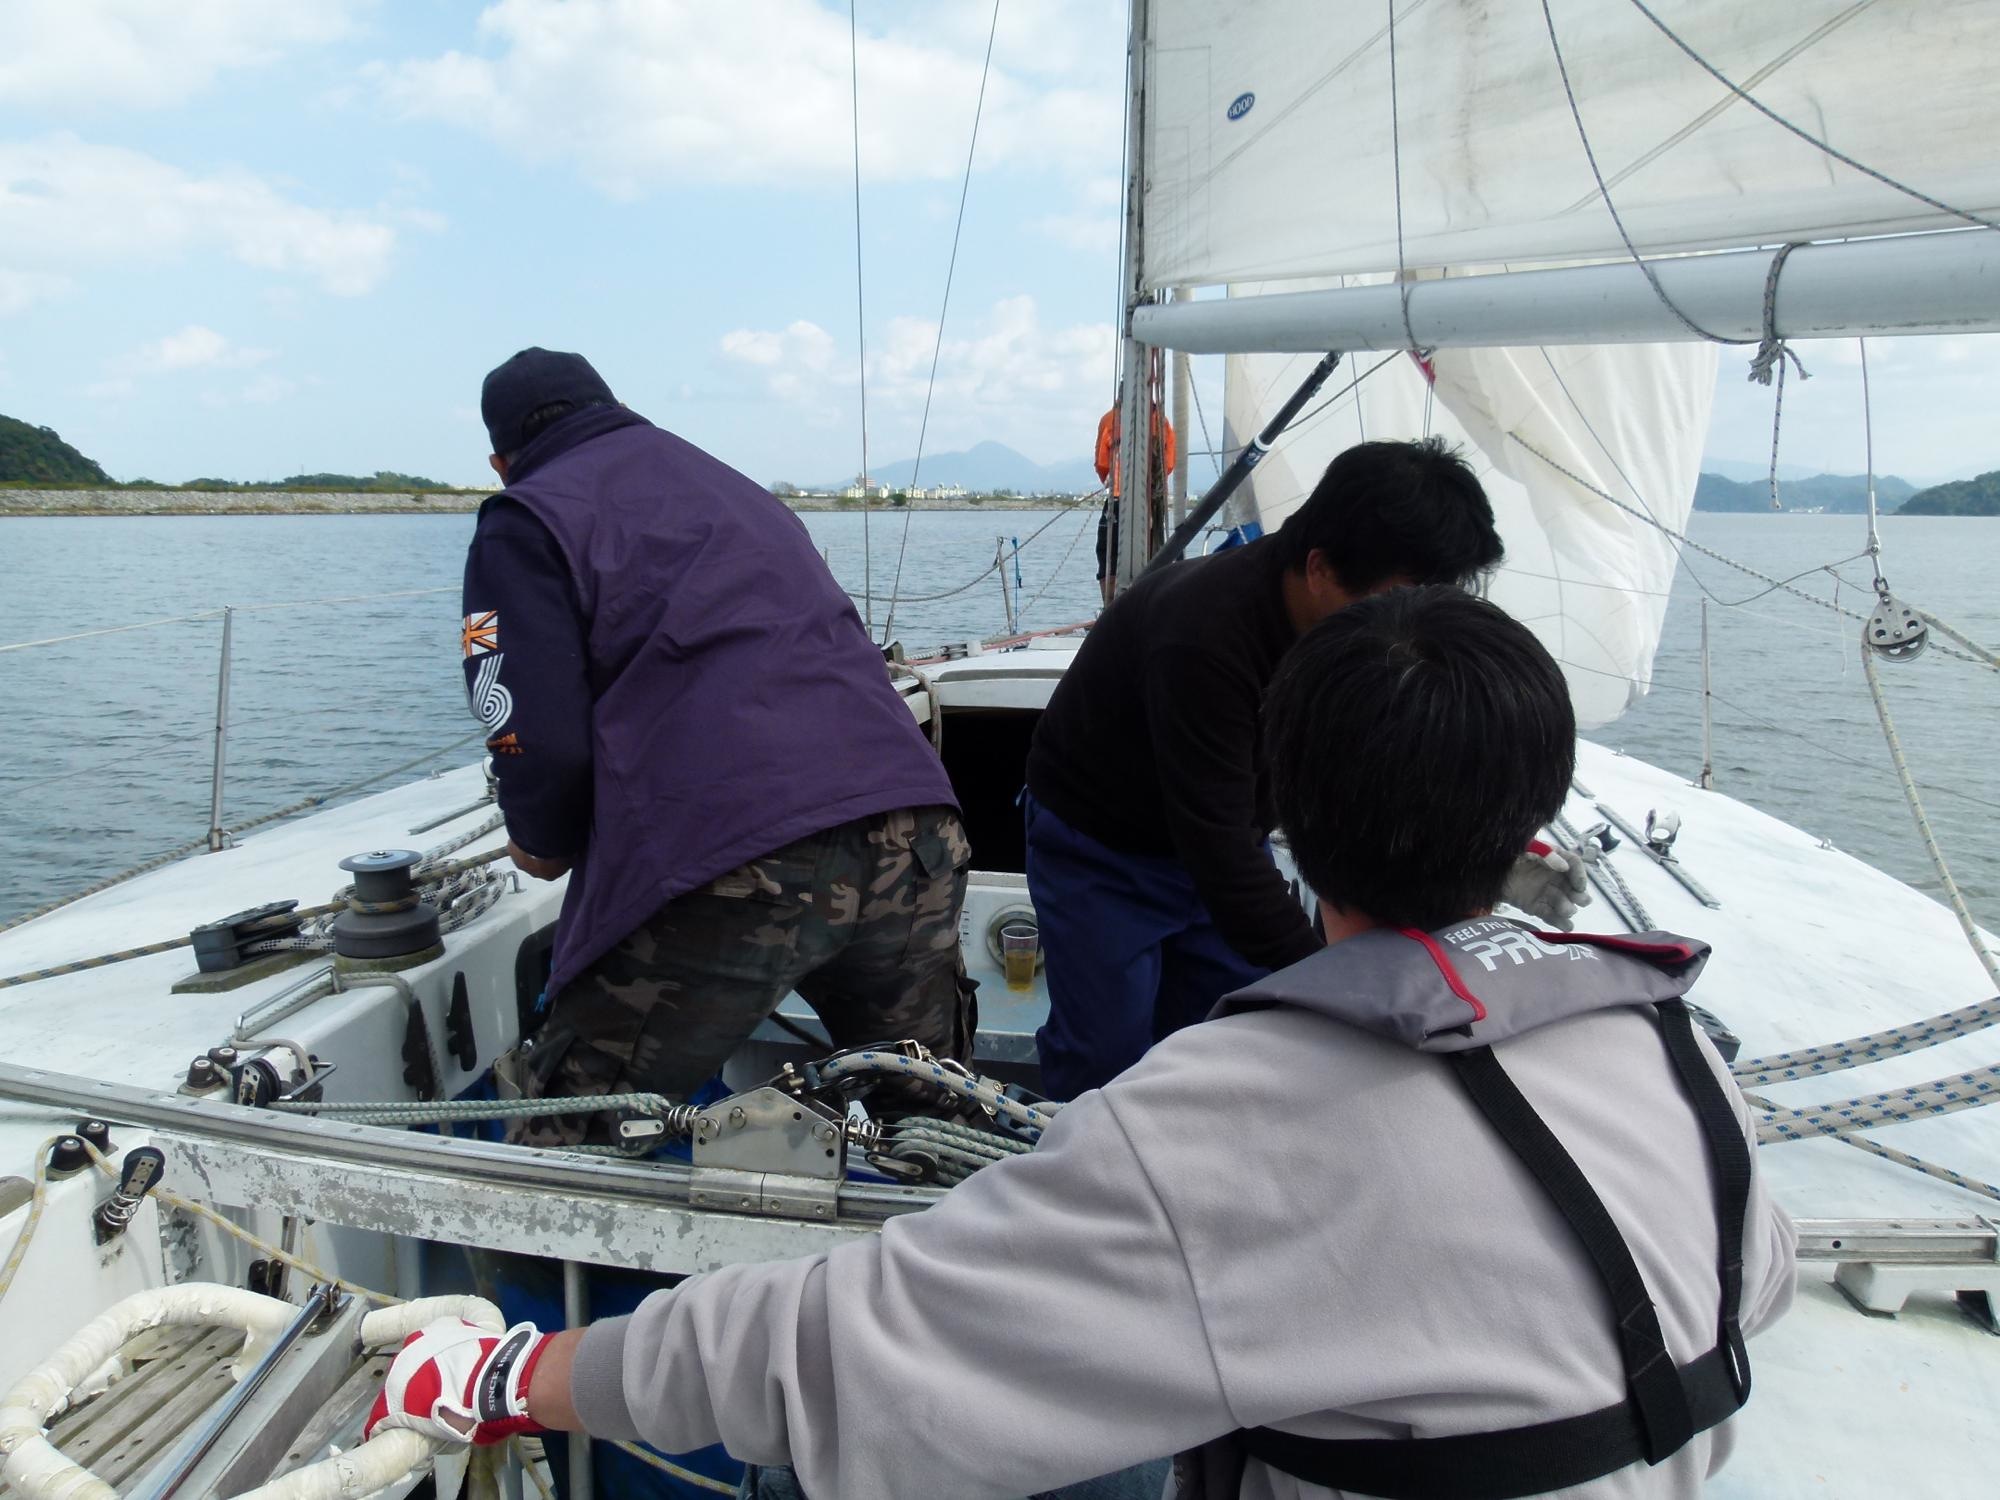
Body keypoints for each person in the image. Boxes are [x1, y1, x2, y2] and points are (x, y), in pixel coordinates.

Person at [371, 586, 1797, 1500]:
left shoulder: (1221, 1122)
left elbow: (844, 1351)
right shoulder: (1679, 1055)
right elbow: (1758, 1284)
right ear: (1533, 820)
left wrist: (510, 1379)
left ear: (1284, 814)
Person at [462, 348, 972, 1132]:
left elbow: (530, 724)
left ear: (502, 463)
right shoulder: (736, 489)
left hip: (740, 852)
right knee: (933, 1125)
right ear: (613, 409)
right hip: (917, 830)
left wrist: (541, 838)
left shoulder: (526, 515)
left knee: (569, 1129)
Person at [1027, 436, 1584, 1102]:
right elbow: (1221, 852)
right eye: (1402, 597)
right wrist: (1344, 985)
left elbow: (1388, 767)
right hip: (1104, 845)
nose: (1416, 622)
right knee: (1104, 1051)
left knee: (1225, 1031)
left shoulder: (1367, 633)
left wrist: (1485, 857)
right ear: (1320, 568)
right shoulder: (1202, 637)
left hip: (1228, 832)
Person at [1093, 389, 1177, 605]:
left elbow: (1102, 464)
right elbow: (1168, 464)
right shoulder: (1162, 422)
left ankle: (1111, 607)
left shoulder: (1110, 420)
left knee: (1108, 554)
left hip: (1118, 498)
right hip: (1151, 502)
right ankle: (1146, 604)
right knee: (1152, 552)